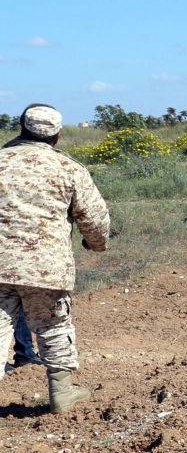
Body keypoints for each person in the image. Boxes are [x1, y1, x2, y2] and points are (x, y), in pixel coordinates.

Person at [0, 105, 110, 413]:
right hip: (46, 268)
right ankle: (61, 393)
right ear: (57, 137)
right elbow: (95, 219)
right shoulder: (69, 169)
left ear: (20, 127)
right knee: (53, 325)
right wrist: (96, 244)